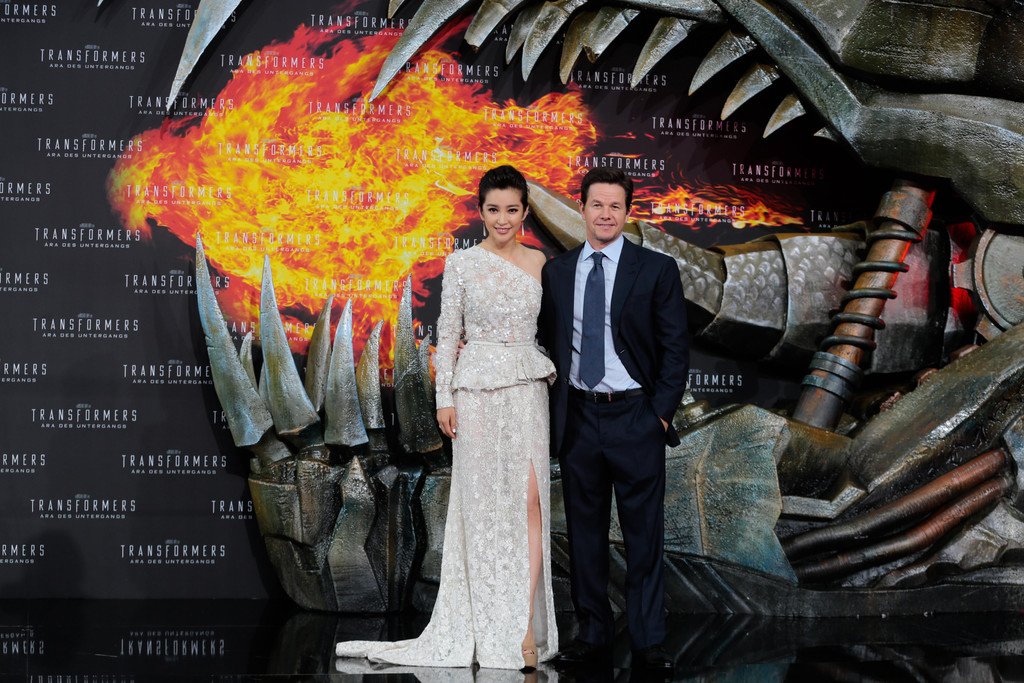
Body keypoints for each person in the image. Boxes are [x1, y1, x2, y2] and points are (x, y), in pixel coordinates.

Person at [335, 165, 558, 671]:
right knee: (480, 509)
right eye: (493, 209)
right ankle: (485, 622)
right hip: (474, 394)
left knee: (530, 503)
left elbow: (551, 328)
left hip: (526, 390)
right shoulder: (461, 264)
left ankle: (524, 627)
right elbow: (448, 332)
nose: (503, 219)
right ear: (481, 212)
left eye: (512, 210)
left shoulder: (540, 263)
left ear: (525, 212)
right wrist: (444, 400)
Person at [538, 167, 689, 672]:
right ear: (581, 208)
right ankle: (593, 633)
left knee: (644, 535)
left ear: (627, 212)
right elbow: (545, 339)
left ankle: (648, 641)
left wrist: (658, 417)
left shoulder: (656, 269)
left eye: (615, 206)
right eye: (597, 205)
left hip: (635, 417)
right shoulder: (557, 272)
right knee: (585, 535)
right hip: (579, 417)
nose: (605, 214)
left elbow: (675, 350)